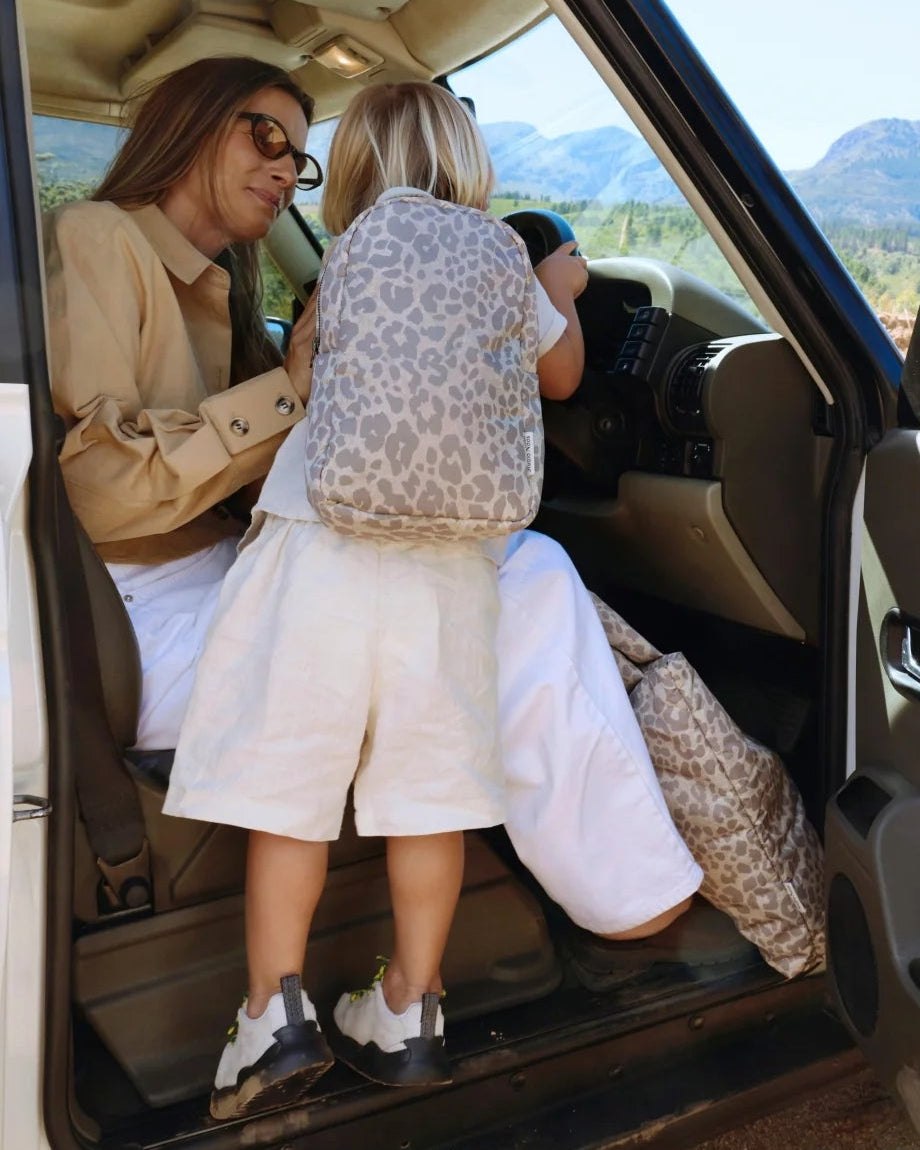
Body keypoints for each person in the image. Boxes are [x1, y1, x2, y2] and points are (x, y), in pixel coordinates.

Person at [44, 49, 704, 1103]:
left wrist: (293, 380)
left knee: (308, 786)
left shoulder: (272, 277)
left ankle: (275, 1012)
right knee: (523, 587)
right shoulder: (99, 238)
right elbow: (96, 486)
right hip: (133, 609)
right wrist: (291, 385)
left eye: (301, 157)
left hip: (248, 571)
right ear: (189, 123)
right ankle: (604, 912)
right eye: (263, 134)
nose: (283, 167)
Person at [164, 78, 593, 1117]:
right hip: (448, 564)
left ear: (354, 168)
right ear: (468, 165)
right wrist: (563, 288)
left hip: (321, 544)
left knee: (290, 791)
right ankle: (411, 1007)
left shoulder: (350, 251)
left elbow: (314, 372)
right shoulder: (501, 253)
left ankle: (272, 1017)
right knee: (431, 791)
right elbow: (564, 379)